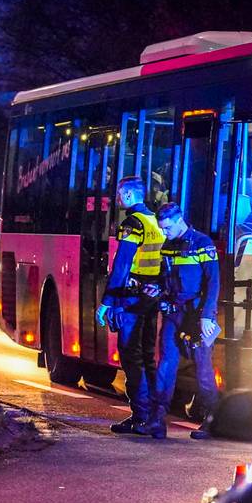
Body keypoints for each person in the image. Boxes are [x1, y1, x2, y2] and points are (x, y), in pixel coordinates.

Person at [95, 176, 165, 435]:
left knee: (130, 357)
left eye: (119, 194)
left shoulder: (132, 224)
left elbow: (122, 265)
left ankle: (140, 416)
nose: (117, 199)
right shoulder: (156, 221)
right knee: (147, 357)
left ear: (126, 195)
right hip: (151, 298)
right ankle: (152, 417)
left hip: (131, 300)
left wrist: (106, 302)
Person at [154, 203, 221, 440]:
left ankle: (211, 420)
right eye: (163, 229)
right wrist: (158, 291)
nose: (165, 233)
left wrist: (206, 316)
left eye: (168, 228)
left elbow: (213, 283)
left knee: (203, 368)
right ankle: (158, 418)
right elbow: (165, 278)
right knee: (166, 363)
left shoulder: (203, 244)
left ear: (180, 220)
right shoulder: (168, 246)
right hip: (175, 312)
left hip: (197, 314)